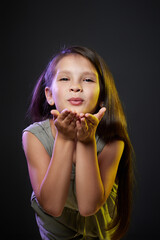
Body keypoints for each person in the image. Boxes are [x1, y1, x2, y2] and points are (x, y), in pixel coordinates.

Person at [22, 46, 134, 240]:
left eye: (88, 79)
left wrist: (86, 141)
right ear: (49, 95)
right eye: (65, 79)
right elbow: (52, 206)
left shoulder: (113, 142)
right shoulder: (34, 136)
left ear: (101, 97)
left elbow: (88, 206)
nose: (76, 87)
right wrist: (64, 138)